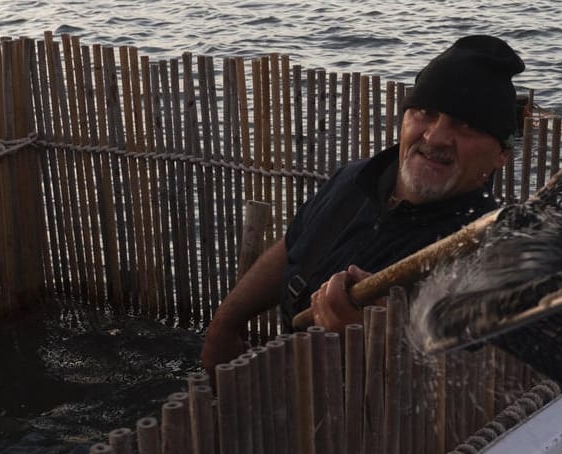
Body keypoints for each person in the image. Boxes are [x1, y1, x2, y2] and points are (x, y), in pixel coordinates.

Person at [200, 35, 525, 373]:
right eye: (425, 113)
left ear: (503, 153)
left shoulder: (489, 254)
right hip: (281, 381)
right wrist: (225, 322)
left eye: (467, 125)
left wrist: (376, 341)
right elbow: (291, 247)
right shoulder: (353, 181)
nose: (435, 137)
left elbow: (459, 390)